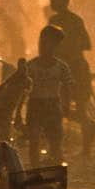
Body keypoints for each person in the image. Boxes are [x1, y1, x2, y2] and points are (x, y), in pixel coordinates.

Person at [48, 0, 95, 155]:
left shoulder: (57, 22)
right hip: (71, 69)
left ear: (63, 0)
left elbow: (85, 44)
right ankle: (86, 138)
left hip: (73, 69)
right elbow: (86, 44)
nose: (51, 1)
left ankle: (65, 149)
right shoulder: (74, 20)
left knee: (65, 109)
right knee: (68, 110)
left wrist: (66, 47)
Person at [26, 25, 72, 167]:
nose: (43, 46)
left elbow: (67, 88)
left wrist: (66, 106)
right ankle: (34, 171)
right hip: (35, 105)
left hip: (53, 105)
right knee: (34, 142)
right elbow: (23, 90)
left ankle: (56, 173)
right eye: (42, 42)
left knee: (55, 143)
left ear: (56, 46)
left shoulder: (62, 67)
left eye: (47, 43)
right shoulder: (30, 66)